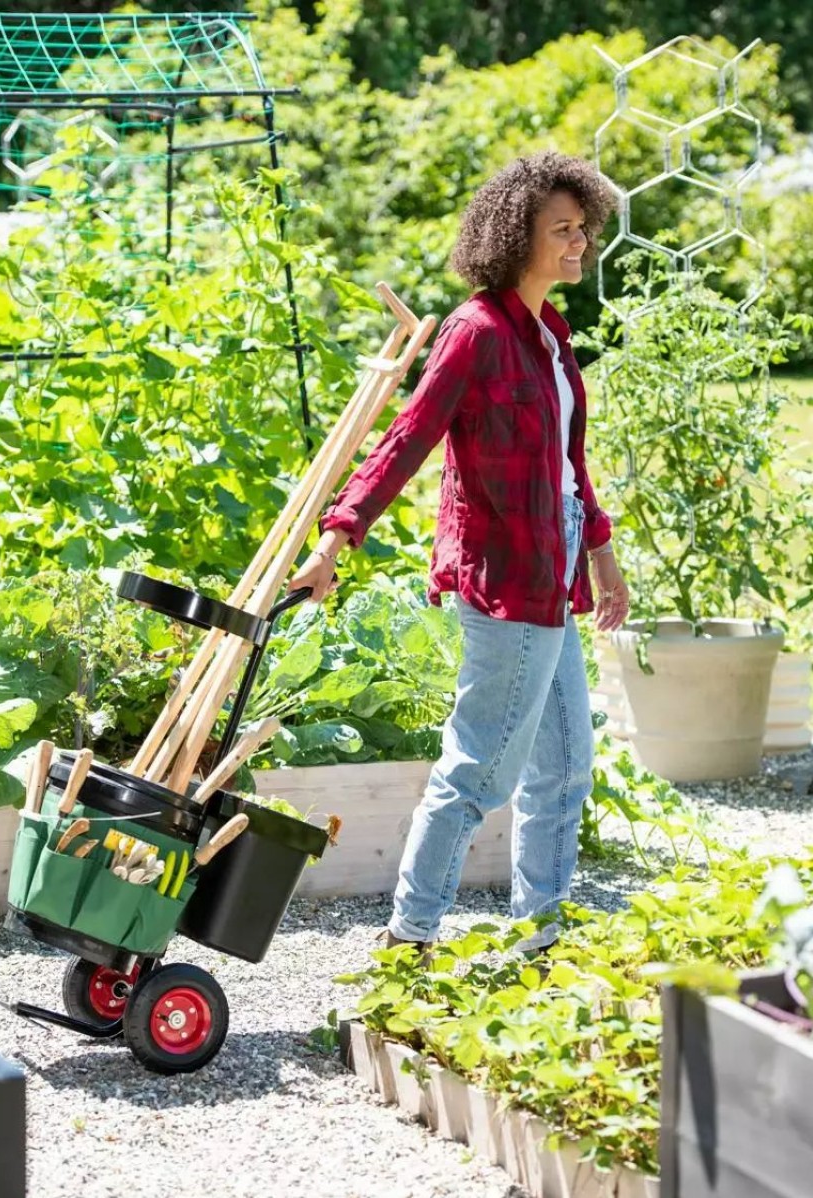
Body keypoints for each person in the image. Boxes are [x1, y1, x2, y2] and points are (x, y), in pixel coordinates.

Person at [289, 151, 630, 954]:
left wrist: (603, 556)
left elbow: (568, 465)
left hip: (555, 577)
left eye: (583, 227)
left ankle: (539, 937)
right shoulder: (474, 333)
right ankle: (410, 940)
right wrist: (339, 535)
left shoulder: (550, 333)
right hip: (508, 584)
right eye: (563, 230)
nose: (580, 242)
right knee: (478, 773)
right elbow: (409, 439)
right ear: (517, 238)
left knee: (565, 771)